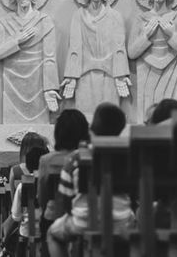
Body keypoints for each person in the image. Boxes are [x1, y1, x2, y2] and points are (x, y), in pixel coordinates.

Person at [47, 103, 134, 257]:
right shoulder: (128, 158)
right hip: (121, 221)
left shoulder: (76, 157)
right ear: (120, 129)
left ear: (92, 127)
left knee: (53, 234)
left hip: (83, 221)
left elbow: (66, 198)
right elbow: (134, 194)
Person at [0, 0, 60, 123]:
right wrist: (16, 41)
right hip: (11, 79)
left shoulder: (44, 21)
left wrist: (50, 88)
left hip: (38, 81)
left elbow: (50, 57)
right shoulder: (4, 22)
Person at [62, 0, 130, 117]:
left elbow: (119, 48)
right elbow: (74, 48)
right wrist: (71, 77)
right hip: (85, 75)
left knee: (109, 118)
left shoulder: (115, 16)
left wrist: (120, 76)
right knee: (85, 117)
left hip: (110, 75)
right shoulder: (79, 16)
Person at [38, 109, 90, 256]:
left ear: (58, 133)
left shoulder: (46, 161)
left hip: (54, 215)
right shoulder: (89, 157)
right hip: (86, 213)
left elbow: (43, 195)